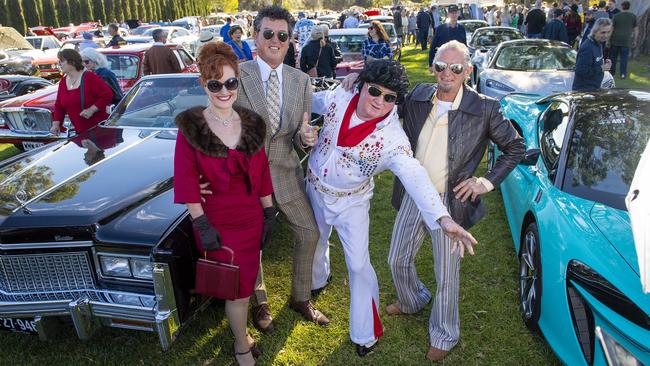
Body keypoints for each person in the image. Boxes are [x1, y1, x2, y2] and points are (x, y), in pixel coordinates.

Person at [312, 59, 478, 357]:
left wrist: (443, 218)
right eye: (374, 91)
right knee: (315, 241)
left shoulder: (393, 139)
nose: (380, 101)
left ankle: (366, 333)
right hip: (314, 187)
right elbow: (310, 101)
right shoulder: (340, 95)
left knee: (359, 265)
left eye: (390, 98)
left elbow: (414, 174)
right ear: (362, 84)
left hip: (352, 201)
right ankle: (316, 280)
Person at [384, 40, 525, 362]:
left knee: (446, 274)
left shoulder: (485, 108)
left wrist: (485, 181)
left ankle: (445, 334)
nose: (447, 73)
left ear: (468, 71)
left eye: (456, 68)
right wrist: (356, 83)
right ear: (433, 68)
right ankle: (411, 300)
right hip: (414, 193)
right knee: (397, 259)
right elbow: (383, 102)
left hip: (451, 201)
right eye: (441, 66)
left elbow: (515, 148)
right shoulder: (419, 96)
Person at [216, 5, 328, 332]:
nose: (276, 40)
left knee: (310, 232)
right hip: (245, 178)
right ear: (255, 36)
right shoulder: (235, 74)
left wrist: (306, 138)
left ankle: (300, 297)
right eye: (269, 33)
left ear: (290, 40)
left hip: (286, 171)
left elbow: (299, 135)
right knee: (251, 244)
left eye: (283, 35)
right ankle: (259, 302)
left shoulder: (301, 81)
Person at [174, 41, 274, 366]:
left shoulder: (252, 123)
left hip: (251, 219)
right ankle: (241, 344)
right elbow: (187, 181)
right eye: (215, 84)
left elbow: (261, 173)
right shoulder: (192, 128)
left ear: (237, 83)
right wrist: (200, 223)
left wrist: (269, 210)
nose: (224, 90)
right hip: (217, 223)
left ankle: (241, 335)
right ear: (204, 83)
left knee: (243, 283)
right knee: (237, 290)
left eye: (230, 83)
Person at [50, 49, 112, 135]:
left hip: (98, 131)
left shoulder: (89, 77)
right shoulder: (63, 81)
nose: (59, 64)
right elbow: (59, 105)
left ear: (72, 62)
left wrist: (91, 110)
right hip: (80, 132)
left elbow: (107, 95)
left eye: (62, 61)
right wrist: (56, 124)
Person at [573, 17, 613, 91]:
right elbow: (580, 71)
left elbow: (594, 63)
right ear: (595, 31)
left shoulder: (599, 43)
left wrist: (605, 64)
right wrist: (601, 68)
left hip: (594, 89)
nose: (606, 35)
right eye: (603, 32)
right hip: (583, 92)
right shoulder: (588, 47)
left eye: (608, 32)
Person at [429, 5, 466, 72]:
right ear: (448, 14)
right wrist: (431, 65)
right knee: (444, 81)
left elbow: (464, 48)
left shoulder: (461, 29)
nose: (453, 14)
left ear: (458, 13)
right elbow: (433, 47)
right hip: (443, 62)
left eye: (455, 12)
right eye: (451, 13)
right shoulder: (440, 29)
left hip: (457, 62)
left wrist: (466, 63)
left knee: (457, 81)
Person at [610, 0, 638, 79]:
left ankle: (612, 73)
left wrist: (608, 39)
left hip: (615, 39)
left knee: (613, 58)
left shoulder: (616, 16)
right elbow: (636, 29)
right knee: (624, 59)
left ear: (622, 6)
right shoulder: (633, 16)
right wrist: (635, 40)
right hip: (626, 41)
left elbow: (612, 28)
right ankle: (623, 74)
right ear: (629, 7)